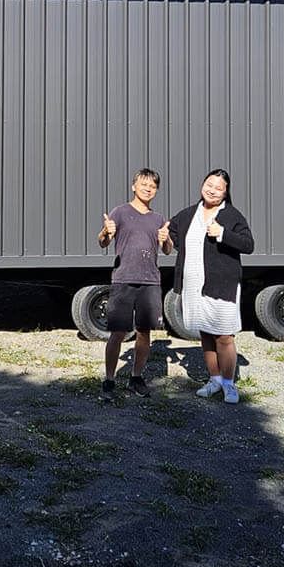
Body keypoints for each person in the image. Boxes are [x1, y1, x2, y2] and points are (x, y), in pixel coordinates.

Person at [168, 169, 255, 404]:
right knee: (206, 333)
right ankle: (214, 379)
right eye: (209, 184)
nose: (212, 190)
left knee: (224, 336)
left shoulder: (232, 215)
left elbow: (248, 245)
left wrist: (223, 233)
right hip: (194, 284)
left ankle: (229, 384)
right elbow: (171, 232)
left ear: (226, 191)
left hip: (222, 284)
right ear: (202, 184)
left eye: (218, 187)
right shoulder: (188, 215)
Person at [97, 168, 173, 401]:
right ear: (134, 186)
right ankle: (109, 380)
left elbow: (168, 250)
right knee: (118, 332)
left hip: (150, 281)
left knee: (144, 332)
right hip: (123, 280)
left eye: (152, 186)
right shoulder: (120, 212)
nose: (148, 189)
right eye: (143, 184)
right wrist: (105, 232)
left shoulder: (158, 219)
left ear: (156, 190)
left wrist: (166, 239)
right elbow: (102, 242)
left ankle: (136, 377)